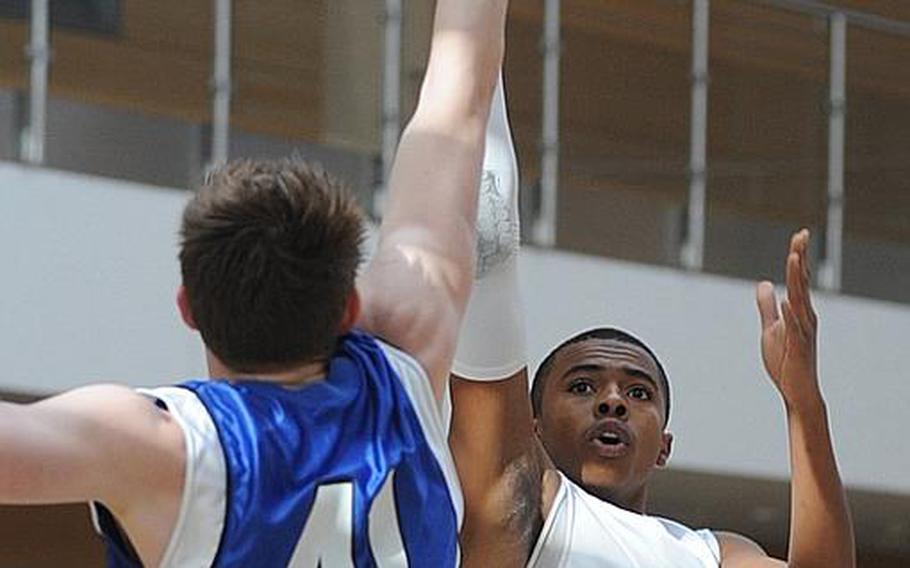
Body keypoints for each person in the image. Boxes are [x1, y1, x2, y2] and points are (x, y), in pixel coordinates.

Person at [0, 0, 510, 565]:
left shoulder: (160, 450)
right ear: (349, 309)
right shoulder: (406, 338)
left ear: (188, 306)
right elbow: (460, 96)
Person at [448, 84, 855, 566]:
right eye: (581, 386)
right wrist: (477, 60)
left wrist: (804, 404)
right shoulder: (524, 499)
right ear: (530, 427)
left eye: (639, 393)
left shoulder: (712, 552)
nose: (613, 401)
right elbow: (487, 254)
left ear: (663, 446)